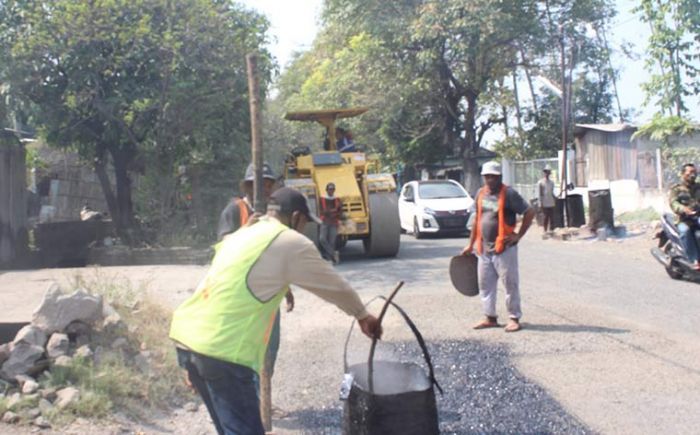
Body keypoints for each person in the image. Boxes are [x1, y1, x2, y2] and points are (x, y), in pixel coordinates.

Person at [170, 187, 382, 435]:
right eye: (304, 222)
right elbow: (333, 285)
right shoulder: (289, 241)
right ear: (295, 217)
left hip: (191, 340)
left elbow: (229, 279)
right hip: (222, 351)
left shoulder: (246, 233)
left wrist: (194, 359)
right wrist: (362, 315)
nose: (304, 229)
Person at [462, 161, 535, 333]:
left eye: (493, 177)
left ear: (499, 177)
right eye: (487, 177)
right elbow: (477, 221)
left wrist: (518, 235)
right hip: (484, 249)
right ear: (483, 178)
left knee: (510, 284)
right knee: (485, 285)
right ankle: (490, 317)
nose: (490, 180)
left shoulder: (509, 194)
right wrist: (470, 244)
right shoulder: (481, 194)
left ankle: (514, 317)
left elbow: (529, 212)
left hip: (504, 248)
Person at [217, 162, 278, 241]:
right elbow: (223, 241)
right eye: (262, 186)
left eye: (269, 186)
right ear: (247, 187)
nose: (266, 190)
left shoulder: (273, 210)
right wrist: (247, 228)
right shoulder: (235, 209)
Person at [669, 163, 700, 269]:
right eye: (690, 172)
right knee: (685, 231)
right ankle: (694, 260)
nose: (693, 174)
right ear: (683, 174)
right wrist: (684, 209)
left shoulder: (698, 187)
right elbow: (673, 203)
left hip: (698, 217)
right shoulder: (676, 189)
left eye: (694, 172)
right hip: (683, 219)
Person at [319, 182, 343, 264]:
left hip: (334, 222)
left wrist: (335, 213)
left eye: (332, 189)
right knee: (322, 239)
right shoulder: (322, 199)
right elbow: (323, 211)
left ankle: (331, 259)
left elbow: (340, 211)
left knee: (332, 241)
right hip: (325, 222)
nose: (331, 191)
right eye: (329, 189)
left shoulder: (337, 199)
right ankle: (334, 254)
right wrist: (334, 210)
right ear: (326, 190)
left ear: (334, 190)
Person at [538, 165, 556, 233]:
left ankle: (552, 231)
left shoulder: (551, 183)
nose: (547, 173)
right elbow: (539, 194)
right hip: (544, 203)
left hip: (551, 202)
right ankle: (545, 231)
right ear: (544, 173)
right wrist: (540, 203)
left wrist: (555, 198)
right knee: (545, 217)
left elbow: (552, 192)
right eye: (546, 172)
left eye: (548, 172)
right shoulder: (540, 182)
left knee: (552, 218)